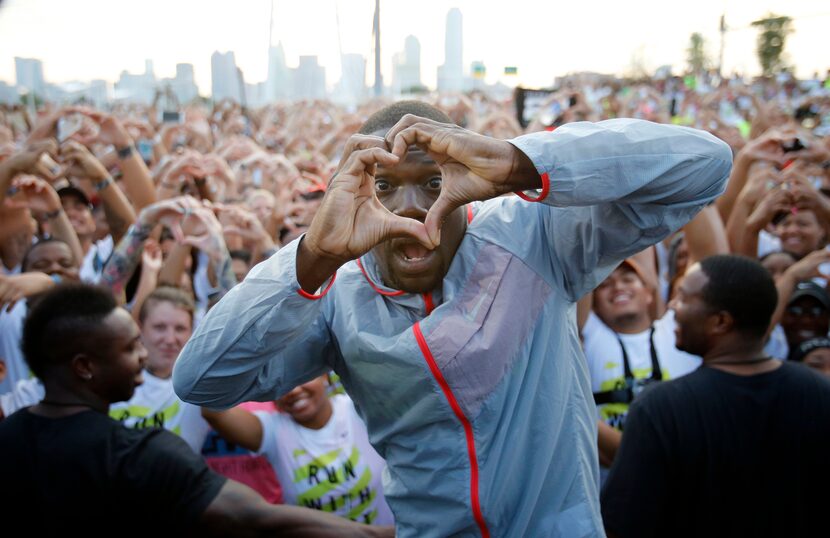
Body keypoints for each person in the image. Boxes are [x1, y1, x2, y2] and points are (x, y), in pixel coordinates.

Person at [174, 102, 732, 536]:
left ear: (470, 184)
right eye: (384, 186)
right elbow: (201, 378)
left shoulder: (530, 236)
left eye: (434, 182)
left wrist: (519, 162)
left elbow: (706, 165)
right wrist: (312, 254)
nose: (411, 207)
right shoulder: (337, 290)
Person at [0, 283, 391, 537]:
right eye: (129, 347)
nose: (143, 356)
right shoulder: (139, 454)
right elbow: (257, 520)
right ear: (84, 366)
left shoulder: (8, 435)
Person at [601, 255, 830, 537]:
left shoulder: (660, 409)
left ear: (720, 322)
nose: (672, 305)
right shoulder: (819, 393)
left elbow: (623, 525)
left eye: (684, 299)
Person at [202, 374, 394, 525]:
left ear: (325, 376)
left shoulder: (358, 409)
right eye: (280, 386)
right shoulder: (273, 432)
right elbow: (211, 410)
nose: (292, 390)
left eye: (302, 377)